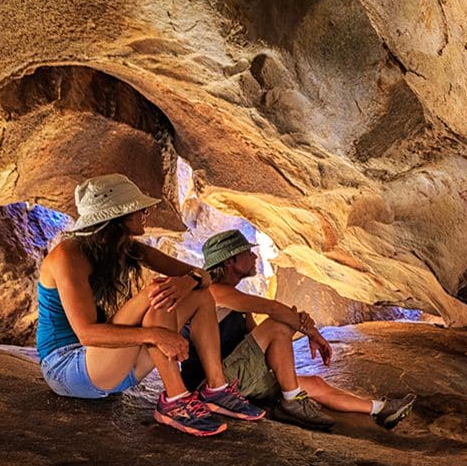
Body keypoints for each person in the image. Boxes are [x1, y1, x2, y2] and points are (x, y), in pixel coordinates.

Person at [36, 174, 265, 436]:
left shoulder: (124, 248)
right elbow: (87, 334)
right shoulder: (67, 256)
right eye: (139, 210)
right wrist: (155, 335)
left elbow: (205, 277)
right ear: (118, 218)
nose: (146, 214)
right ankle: (176, 400)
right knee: (157, 292)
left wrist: (188, 281)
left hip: (113, 368)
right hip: (67, 368)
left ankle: (216, 389)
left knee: (199, 295)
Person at [179, 229, 415, 431]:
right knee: (278, 323)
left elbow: (259, 342)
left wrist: (296, 322)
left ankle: (381, 409)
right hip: (212, 383)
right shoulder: (215, 292)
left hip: (237, 375)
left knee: (315, 383)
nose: (254, 256)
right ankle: (291, 402)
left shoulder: (237, 302)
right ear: (230, 261)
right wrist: (309, 331)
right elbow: (273, 310)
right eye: (247, 253)